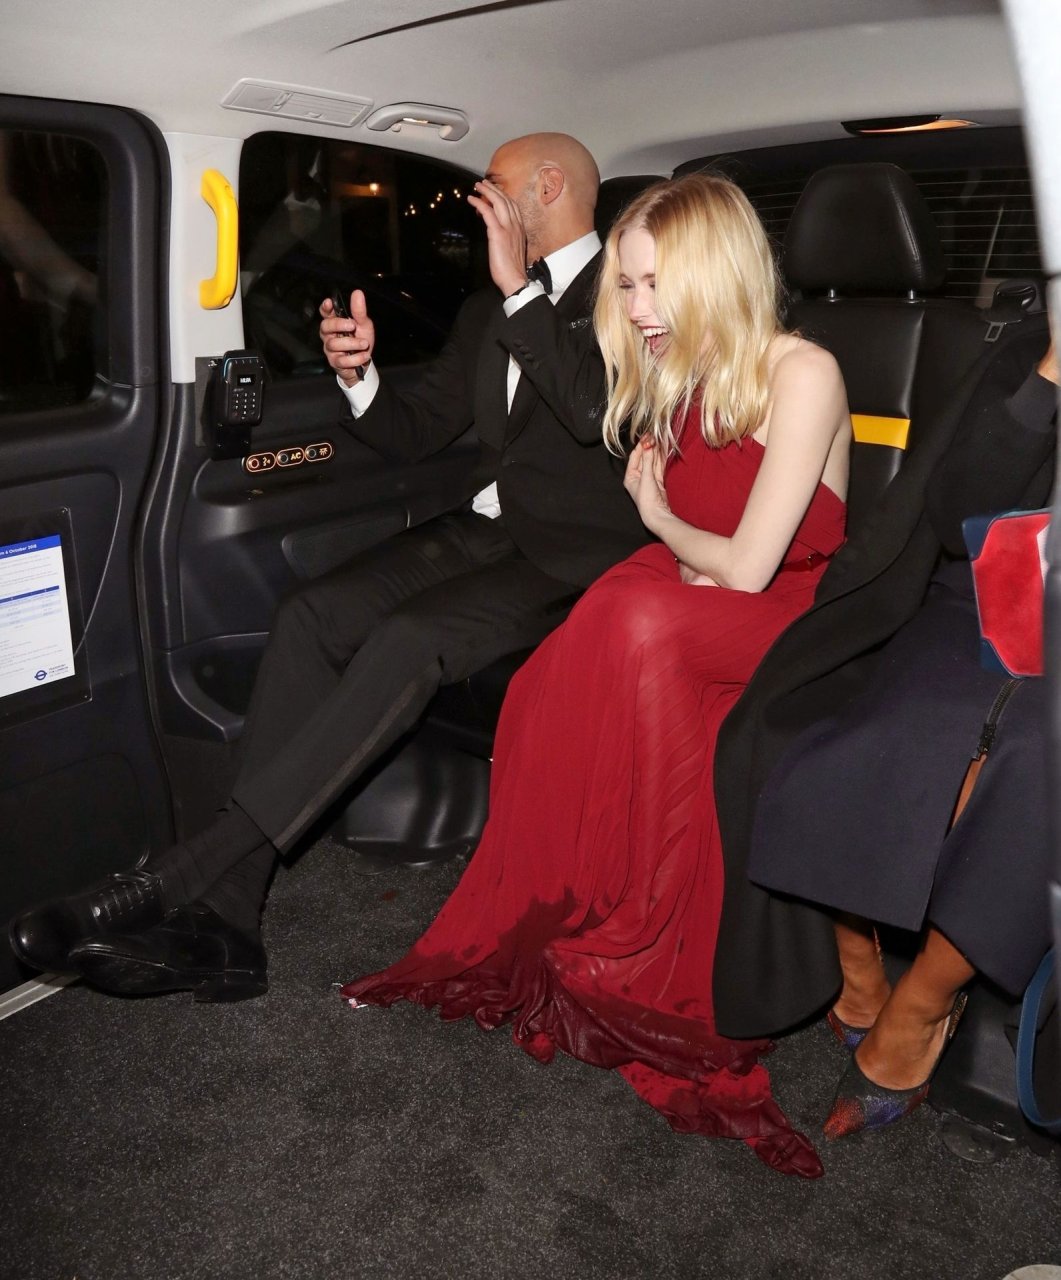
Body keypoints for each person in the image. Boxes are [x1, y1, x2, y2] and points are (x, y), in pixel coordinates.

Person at [8, 133, 650, 996]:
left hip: (578, 557)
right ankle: (231, 921)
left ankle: (174, 879)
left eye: (493, 185)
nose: (479, 201)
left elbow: (593, 411)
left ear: (546, 186)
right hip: (485, 530)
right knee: (311, 613)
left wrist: (519, 293)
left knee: (409, 636)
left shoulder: (636, 294)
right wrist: (358, 375)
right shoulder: (485, 311)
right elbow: (413, 434)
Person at [340, 172, 850, 1179]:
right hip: (691, 580)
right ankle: (585, 910)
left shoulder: (803, 371)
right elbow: (692, 542)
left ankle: (649, 946)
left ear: (717, 272)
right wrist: (670, 542)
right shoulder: (676, 363)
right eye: (626, 285)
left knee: (636, 619)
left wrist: (655, 518)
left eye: (657, 284)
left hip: (785, 608)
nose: (639, 308)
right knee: (558, 666)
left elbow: (750, 568)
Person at [746, 329, 1057, 1137]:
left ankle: (923, 1002)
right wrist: (1049, 377)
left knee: (1038, 760)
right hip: (984, 591)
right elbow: (956, 515)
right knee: (888, 723)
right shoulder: (1029, 350)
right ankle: (856, 958)